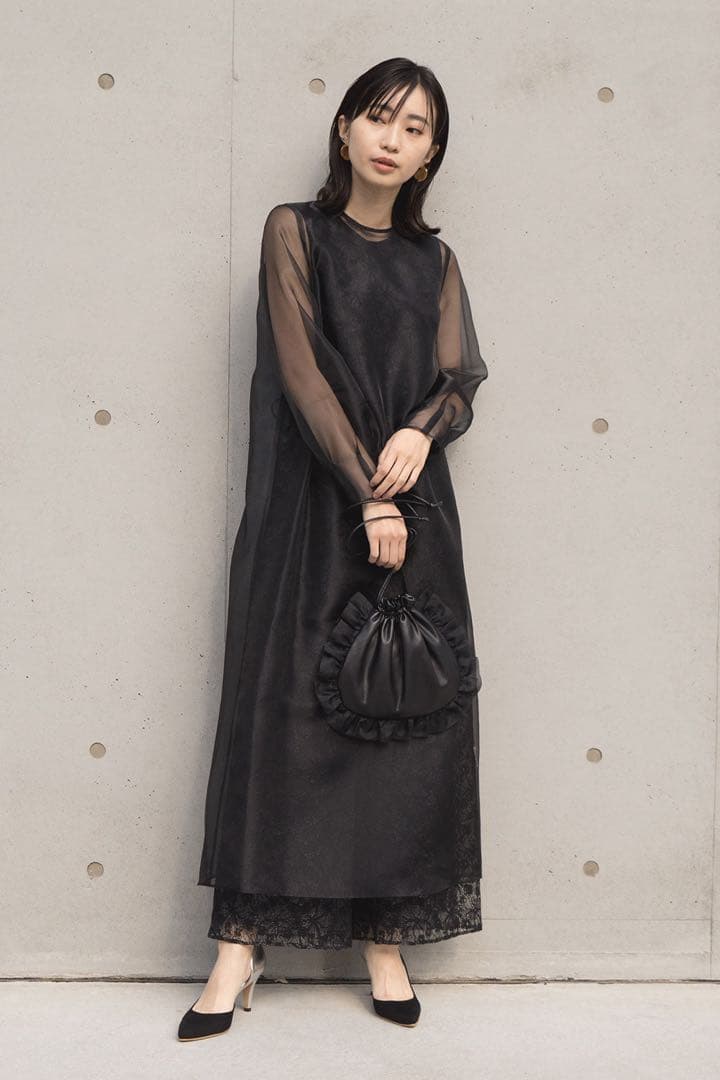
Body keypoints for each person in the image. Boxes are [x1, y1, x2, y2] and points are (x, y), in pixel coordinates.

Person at [178, 56, 489, 1041]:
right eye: (380, 117)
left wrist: (422, 432)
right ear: (346, 127)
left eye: (417, 128)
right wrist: (370, 494)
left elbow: (459, 377)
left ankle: (385, 941)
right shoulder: (295, 232)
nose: (394, 139)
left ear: (432, 154)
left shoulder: (435, 262)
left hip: (413, 513)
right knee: (282, 720)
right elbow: (303, 375)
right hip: (314, 511)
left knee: (403, 720)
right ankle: (240, 947)